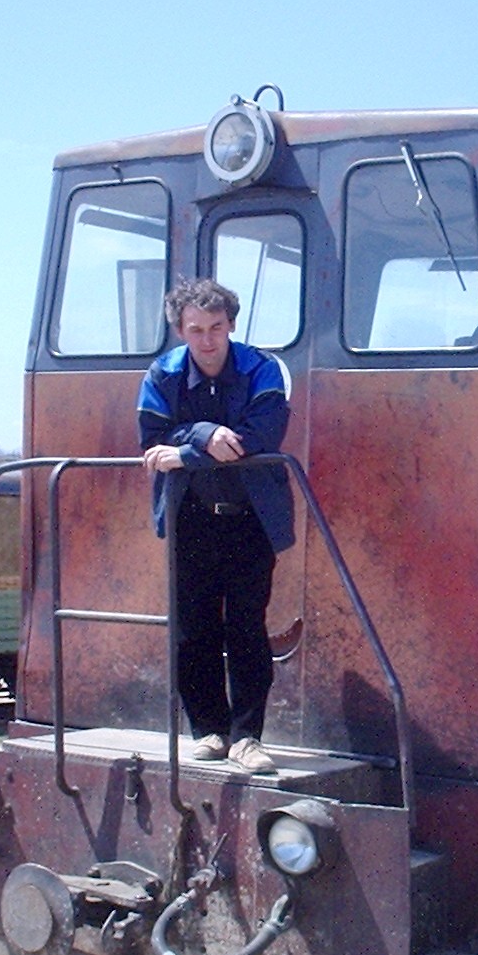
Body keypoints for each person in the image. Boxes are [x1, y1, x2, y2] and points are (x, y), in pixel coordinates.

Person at [138, 278, 294, 773]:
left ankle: (248, 738)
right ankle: (208, 730)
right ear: (180, 330)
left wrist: (185, 452)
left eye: (216, 328)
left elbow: (258, 438)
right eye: (196, 329)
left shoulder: (261, 369)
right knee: (193, 629)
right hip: (191, 520)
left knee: (246, 627)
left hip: (251, 520)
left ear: (231, 326)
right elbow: (150, 438)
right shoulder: (161, 374)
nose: (207, 340)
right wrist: (205, 435)